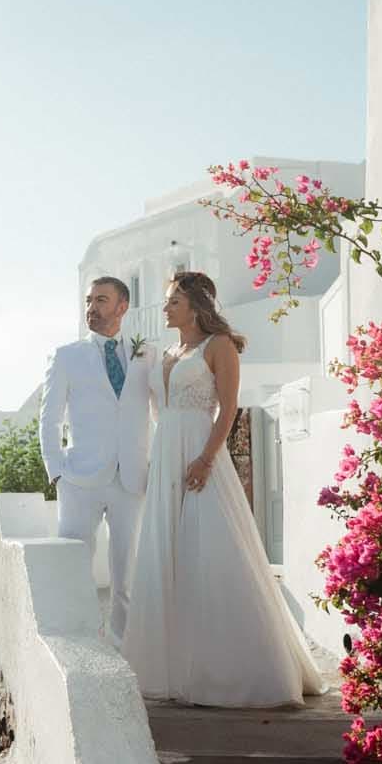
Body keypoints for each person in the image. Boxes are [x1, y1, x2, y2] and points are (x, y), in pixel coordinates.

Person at [124, 271, 323, 708]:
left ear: (196, 306)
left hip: (200, 451)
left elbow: (228, 407)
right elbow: (158, 408)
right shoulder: (167, 353)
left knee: (211, 547)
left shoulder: (220, 346)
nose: (165, 308)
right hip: (167, 455)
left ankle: (236, 670)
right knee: (169, 550)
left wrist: (206, 458)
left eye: (173, 301)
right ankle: (175, 666)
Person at [38, 276, 153, 640]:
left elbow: (157, 409)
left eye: (102, 300)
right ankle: (80, 639)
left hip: (131, 477)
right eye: (89, 300)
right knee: (75, 565)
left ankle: (126, 647)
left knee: (127, 573)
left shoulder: (145, 354)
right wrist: (56, 471)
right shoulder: (67, 355)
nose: (92, 307)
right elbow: (49, 417)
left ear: (123, 306)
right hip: (79, 478)